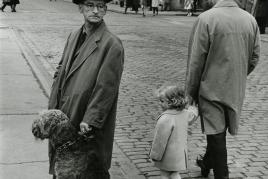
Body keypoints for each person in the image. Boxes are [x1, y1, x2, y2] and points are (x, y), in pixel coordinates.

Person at [48, 0, 124, 178]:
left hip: (84, 123)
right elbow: (61, 69)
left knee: (87, 170)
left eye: (101, 6)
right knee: (62, 169)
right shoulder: (74, 35)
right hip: (63, 117)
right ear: (80, 8)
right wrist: (53, 103)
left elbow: (106, 88)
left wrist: (90, 120)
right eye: (90, 5)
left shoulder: (112, 44)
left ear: (106, 10)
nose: (96, 11)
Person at [185, 0, 260, 178]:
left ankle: (222, 175)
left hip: (210, 88)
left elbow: (196, 62)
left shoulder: (206, 19)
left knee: (216, 134)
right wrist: (238, 75)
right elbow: (255, 57)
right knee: (218, 131)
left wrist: (190, 93)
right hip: (235, 88)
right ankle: (207, 162)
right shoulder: (250, 20)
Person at [150, 86, 198, 179]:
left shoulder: (165, 119)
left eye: (162, 101)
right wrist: (193, 107)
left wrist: (155, 155)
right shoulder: (185, 114)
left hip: (167, 154)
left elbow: (160, 140)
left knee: (164, 174)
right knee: (175, 173)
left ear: (171, 102)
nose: (159, 104)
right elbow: (193, 115)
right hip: (180, 153)